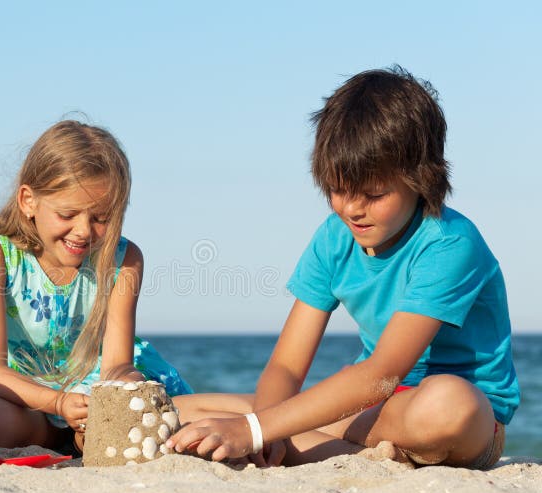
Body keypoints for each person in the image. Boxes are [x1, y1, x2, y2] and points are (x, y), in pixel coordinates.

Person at [167, 66, 520, 470]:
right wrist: (265, 432)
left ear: (421, 179)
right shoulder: (335, 238)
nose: (352, 209)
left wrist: (254, 429)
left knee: (446, 402)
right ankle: (352, 451)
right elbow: (286, 365)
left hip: (454, 419)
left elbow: (383, 373)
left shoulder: (449, 242)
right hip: (373, 408)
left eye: (373, 193)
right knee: (182, 408)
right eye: (338, 190)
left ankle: (325, 442)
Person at [0, 120, 245, 454]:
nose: (83, 231)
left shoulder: (124, 260)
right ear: (28, 201)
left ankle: (279, 415)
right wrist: (58, 402)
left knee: (205, 413)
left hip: (97, 402)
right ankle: (63, 443)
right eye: (68, 214)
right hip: (28, 400)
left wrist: (126, 384)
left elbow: (116, 364)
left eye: (101, 218)